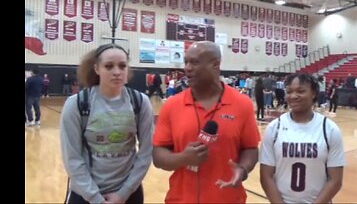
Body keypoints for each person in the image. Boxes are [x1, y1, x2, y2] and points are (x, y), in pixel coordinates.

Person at [152, 41, 260, 203]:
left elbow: (250, 149)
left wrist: (242, 170)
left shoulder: (242, 104)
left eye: (194, 62)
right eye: (186, 62)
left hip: (228, 198)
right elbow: (158, 156)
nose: (187, 68)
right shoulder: (172, 105)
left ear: (215, 64)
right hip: (181, 199)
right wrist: (183, 158)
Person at [60, 43, 154, 204]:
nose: (117, 72)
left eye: (122, 66)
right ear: (97, 69)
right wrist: (96, 199)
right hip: (86, 194)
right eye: (109, 66)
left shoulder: (140, 102)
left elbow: (146, 152)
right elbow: (72, 158)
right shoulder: (77, 104)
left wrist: (123, 194)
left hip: (128, 194)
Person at [259, 73, 346, 203]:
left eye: (301, 91)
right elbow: (266, 176)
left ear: (314, 93)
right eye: (289, 91)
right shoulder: (274, 128)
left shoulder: (329, 129)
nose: (293, 96)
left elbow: (335, 180)